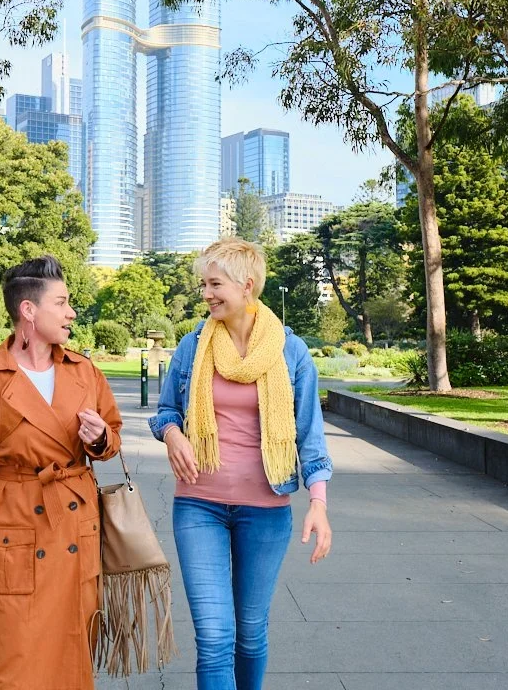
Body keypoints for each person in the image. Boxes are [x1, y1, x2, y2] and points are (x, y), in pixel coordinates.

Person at [0, 255, 123, 690]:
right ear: (29, 311)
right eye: (62, 302)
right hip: (14, 529)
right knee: (12, 664)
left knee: (73, 658)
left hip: (75, 527)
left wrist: (97, 439)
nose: (71, 312)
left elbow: (112, 439)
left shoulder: (84, 370)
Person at [149, 237, 333, 690]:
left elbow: (310, 434)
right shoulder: (195, 345)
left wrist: (318, 503)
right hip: (199, 505)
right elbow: (166, 410)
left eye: (215, 284)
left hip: (266, 508)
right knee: (214, 636)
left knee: (249, 635)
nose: (206, 293)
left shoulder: (291, 351)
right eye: (203, 285)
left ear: (246, 285)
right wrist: (173, 435)